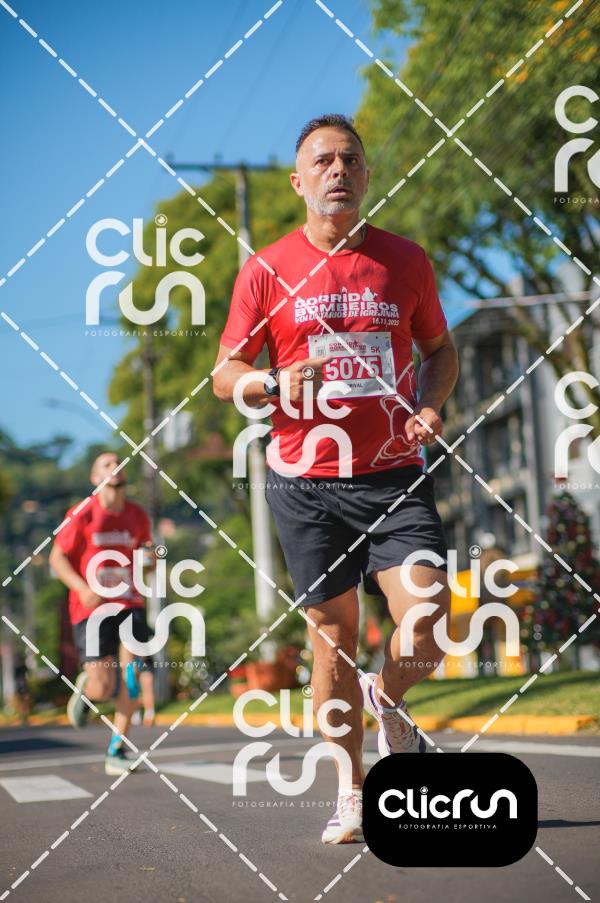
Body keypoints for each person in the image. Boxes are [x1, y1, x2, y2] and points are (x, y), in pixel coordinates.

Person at [213, 114, 458, 844]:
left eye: (350, 159)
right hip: (306, 481)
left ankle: (390, 697)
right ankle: (353, 790)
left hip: (392, 473)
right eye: (322, 161)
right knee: (332, 642)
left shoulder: (405, 260)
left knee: (429, 617)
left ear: (367, 175)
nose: (338, 170)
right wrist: (271, 381)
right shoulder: (266, 269)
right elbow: (225, 375)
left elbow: (439, 350)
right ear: (299, 182)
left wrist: (431, 406)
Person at [49, 452, 155, 775]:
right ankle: (87, 690)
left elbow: (146, 559)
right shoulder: (82, 513)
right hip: (91, 607)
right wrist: (82, 588)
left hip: (129, 603)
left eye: (118, 462)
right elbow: (57, 558)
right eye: (106, 465)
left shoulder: (137, 515)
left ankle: (116, 751)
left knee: (132, 677)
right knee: (104, 687)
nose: (115, 467)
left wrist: (150, 561)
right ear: (95, 479)